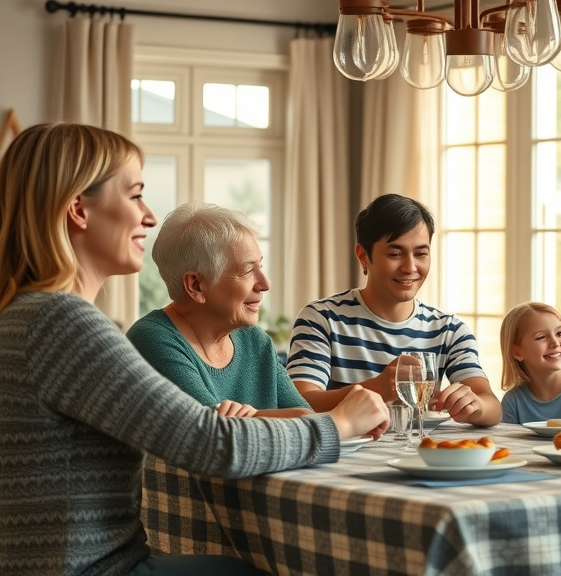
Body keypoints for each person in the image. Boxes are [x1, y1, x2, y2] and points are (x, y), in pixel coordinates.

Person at [0, 123, 389, 576]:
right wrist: (340, 423)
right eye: (135, 195)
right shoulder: (62, 322)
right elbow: (210, 444)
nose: (148, 215)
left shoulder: (29, 315)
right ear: (78, 210)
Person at [287, 193, 501, 426]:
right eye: (395, 254)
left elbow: (491, 405)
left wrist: (474, 406)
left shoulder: (449, 330)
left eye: (421, 254)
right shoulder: (322, 319)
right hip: (345, 454)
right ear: (363, 256)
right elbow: (300, 403)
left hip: (424, 455)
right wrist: (377, 389)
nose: (410, 267)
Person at [127, 203, 311, 418]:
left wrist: (250, 418)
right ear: (195, 285)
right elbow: (210, 433)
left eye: (260, 266)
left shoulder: (256, 341)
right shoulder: (151, 339)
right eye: (248, 270)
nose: (265, 284)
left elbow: (309, 419)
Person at [499, 302, 561, 424]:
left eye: (559, 333)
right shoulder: (513, 402)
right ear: (518, 353)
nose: (555, 342)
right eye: (541, 337)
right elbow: (509, 442)